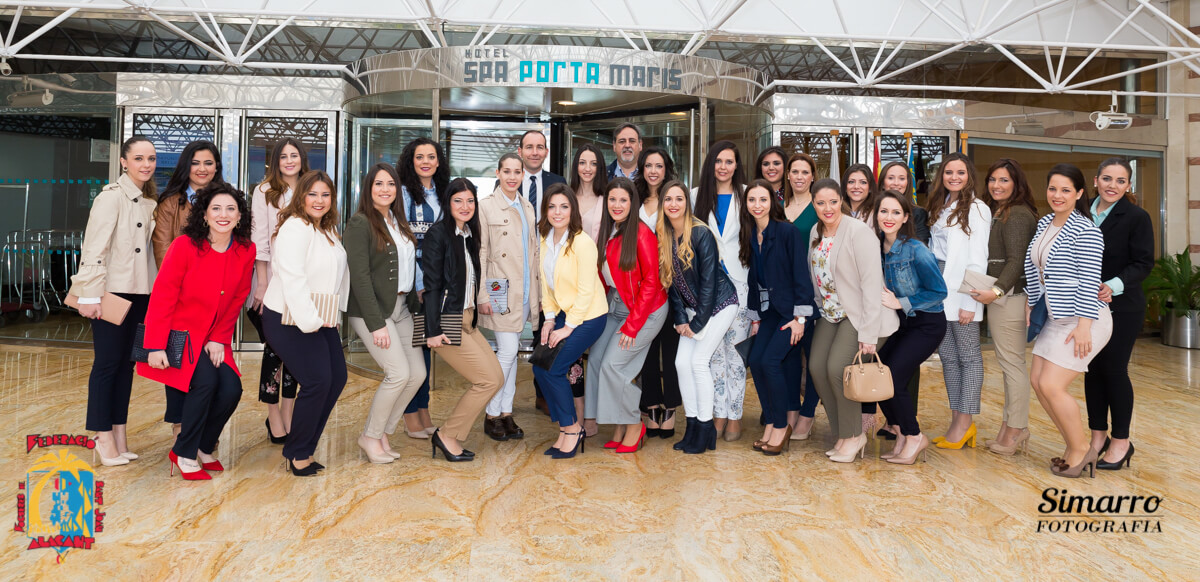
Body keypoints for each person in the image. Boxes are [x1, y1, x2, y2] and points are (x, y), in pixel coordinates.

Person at [137, 183, 254, 480]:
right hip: (181, 334)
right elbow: (163, 295)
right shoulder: (185, 245)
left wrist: (218, 338)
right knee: (205, 382)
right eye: (216, 208)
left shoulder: (245, 250)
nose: (223, 215)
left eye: (230, 209)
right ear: (204, 214)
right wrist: (155, 345)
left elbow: (238, 297)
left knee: (231, 389)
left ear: (240, 216)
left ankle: (203, 445)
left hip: (213, 336)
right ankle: (184, 452)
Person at [70, 135, 159, 466]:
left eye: (151, 158)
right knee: (107, 364)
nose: (146, 164)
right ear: (124, 162)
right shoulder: (110, 198)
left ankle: (119, 434)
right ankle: (101, 435)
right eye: (139, 158)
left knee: (127, 365)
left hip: (140, 293)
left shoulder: (149, 202)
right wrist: (89, 294)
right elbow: (94, 248)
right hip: (111, 292)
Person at [1025, 164, 1112, 478]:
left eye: (1065, 190)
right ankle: (1073, 445)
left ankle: (1081, 450)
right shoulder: (1045, 222)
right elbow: (1036, 267)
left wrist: (1084, 325)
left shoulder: (1087, 231)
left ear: (1079, 193)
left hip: (1084, 319)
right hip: (1055, 316)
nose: (1057, 195)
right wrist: (1031, 303)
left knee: (1052, 385)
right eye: (1052, 188)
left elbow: (1089, 281)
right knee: (1038, 383)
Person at [261, 170, 350, 476]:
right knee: (317, 381)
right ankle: (297, 452)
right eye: (313, 194)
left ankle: (306, 446)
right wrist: (312, 322)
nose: (319, 200)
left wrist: (332, 317)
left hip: (319, 316)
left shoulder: (326, 228)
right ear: (301, 196)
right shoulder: (295, 227)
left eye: (325, 195)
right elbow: (293, 280)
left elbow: (335, 275)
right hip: (289, 317)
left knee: (336, 378)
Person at [807, 178, 898, 463]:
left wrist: (868, 334)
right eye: (821, 203)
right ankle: (843, 434)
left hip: (861, 315)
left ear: (841, 201)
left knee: (838, 368)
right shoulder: (815, 231)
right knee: (816, 367)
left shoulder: (858, 232)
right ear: (813, 204)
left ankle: (855, 434)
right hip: (831, 313)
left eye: (833, 202)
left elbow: (872, 284)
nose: (828, 208)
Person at [345, 163, 425, 464]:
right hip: (373, 311)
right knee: (398, 374)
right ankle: (370, 436)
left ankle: (382, 433)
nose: (385, 189)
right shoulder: (360, 223)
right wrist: (376, 323)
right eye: (378, 183)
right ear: (369, 188)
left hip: (402, 308)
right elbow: (359, 276)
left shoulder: (398, 221)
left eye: (390, 184)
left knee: (417, 374)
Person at [422, 179, 505, 462]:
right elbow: (432, 285)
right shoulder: (438, 234)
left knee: (496, 378)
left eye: (470, 201)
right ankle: (447, 435)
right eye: (458, 200)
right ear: (448, 203)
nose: (465, 206)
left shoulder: (469, 235)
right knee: (487, 380)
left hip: (467, 318)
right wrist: (432, 330)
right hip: (447, 321)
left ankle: (449, 434)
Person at [588, 177, 669, 453]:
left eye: (623, 200)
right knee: (596, 361)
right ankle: (619, 426)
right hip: (616, 306)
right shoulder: (609, 230)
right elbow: (605, 277)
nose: (617, 205)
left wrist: (632, 326)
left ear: (632, 202)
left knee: (613, 365)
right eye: (612, 199)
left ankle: (634, 424)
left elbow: (651, 283)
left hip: (646, 310)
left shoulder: (642, 233)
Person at [151, 139, 225, 438]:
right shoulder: (172, 202)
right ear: (186, 166)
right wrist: (182, 287)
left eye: (208, 163)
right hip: (183, 297)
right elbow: (162, 247)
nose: (202, 169)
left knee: (212, 366)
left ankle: (203, 424)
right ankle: (180, 423)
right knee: (180, 361)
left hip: (216, 297)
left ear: (216, 166)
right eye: (195, 163)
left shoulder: (226, 198)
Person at [658, 180, 739, 454]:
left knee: (698, 362)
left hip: (720, 304)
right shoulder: (665, 234)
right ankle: (692, 427)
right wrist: (681, 320)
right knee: (681, 363)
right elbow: (671, 285)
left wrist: (696, 324)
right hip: (694, 310)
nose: (673, 204)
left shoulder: (701, 233)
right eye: (668, 199)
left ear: (687, 203)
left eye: (679, 199)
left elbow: (709, 285)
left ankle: (706, 429)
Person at [1084, 158, 1154, 470]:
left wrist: (1113, 285)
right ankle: (1098, 437)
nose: (1113, 185)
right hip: (1086, 306)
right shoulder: (1080, 212)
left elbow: (1143, 263)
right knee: (1092, 370)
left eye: (1120, 181)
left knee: (1114, 370)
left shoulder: (1137, 217)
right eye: (1107, 179)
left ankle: (1122, 442)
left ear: (1128, 185)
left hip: (1122, 306)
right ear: (1096, 180)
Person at [534, 183, 608, 459]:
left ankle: (572, 428)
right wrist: (549, 320)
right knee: (540, 367)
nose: (557, 212)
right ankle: (566, 429)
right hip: (565, 314)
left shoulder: (582, 242)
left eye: (564, 206)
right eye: (552, 206)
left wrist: (567, 327)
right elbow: (547, 286)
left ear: (572, 210)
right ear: (546, 210)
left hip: (590, 316)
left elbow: (587, 291)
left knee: (554, 369)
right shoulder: (545, 240)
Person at [874, 190, 946, 465]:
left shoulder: (916, 249)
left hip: (927, 324)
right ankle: (903, 433)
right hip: (901, 324)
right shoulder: (876, 248)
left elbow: (939, 291)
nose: (889, 217)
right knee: (880, 375)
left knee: (892, 376)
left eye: (896, 212)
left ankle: (915, 436)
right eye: (884, 211)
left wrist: (901, 301)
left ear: (905, 218)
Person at [971, 159, 1037, 455]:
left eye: (1004, 180)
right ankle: (1009, 426)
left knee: (1012, 364)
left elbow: (1017, 261)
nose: (996, 185)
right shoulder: (998, 210)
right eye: (992, 179)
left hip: (1009, 297)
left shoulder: (1018, 214)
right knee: (1008, 363)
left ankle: (1017, 428)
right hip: (1001, 296)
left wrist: (996, 291)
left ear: (1017, 183)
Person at [925, 152, 991, 450]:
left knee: (969, 357)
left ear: (970, 176)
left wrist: (971, 302)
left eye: (960, 172)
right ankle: (956, 420)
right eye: (949, 172)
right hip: (940, 287)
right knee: (949, 357)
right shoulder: (941, 206)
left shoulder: (977, 209)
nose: (954, 177)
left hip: (963, 289)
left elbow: (978, 259)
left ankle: (966, 423)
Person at [742, 179, 813, 456]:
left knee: (771, 362)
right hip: (770, 312)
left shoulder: (787, 231)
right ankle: (771, 422)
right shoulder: (751, 234)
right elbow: (754, 279)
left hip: (792, 313)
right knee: (756, 361)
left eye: (763, 199)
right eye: (752, 200)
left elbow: (801, 275)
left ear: (773, 202)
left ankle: (782, 426)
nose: (757, 205)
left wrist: (800, 319)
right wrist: (755, 319)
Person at [477, 153, 541, 441]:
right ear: (498, 173)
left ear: (523, 175)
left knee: (512, 354)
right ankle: (492, 414)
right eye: (507, 171)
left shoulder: (527, 206)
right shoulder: (486, 206)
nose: (512, 177)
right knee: (507, 351)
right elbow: (480, 253)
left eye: (517, 172)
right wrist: (482, 294)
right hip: (498, 288)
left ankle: (506, 413)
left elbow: (533, 252)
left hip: (524, 290)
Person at [691, 140, 751, 441]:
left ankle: (735, 416)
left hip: (741, 283)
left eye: (729, 161)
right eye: (718, 161)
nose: (723, 167)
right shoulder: (695, 196)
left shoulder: (748, 194)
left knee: (736, 353)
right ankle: (718, 413)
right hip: (709, 286)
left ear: (736, 165)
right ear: (710, 164)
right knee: (712, 354)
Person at [250, 137, 308, 446]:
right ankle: (273, 414)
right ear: (275, 161)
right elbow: (259, 240)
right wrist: (261, 283)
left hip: (303, 282)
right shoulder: (264, 191)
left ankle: (289, 410)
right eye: (283, 156)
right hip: (273, 281)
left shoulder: (310, 188)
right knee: (274, 350)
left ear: (302, 159)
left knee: (296, 350)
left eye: (294, 155)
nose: (289, 161)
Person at [397, 137, 451, 439]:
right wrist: (420, 283)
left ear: (438, 161)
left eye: (431, 156)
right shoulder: (403, 194)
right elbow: (405, 243)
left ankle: (424, 410)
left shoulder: (444, 193)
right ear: (411, 161)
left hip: (437, 281)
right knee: (415, 351)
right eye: (420, 157)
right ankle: (410, 414)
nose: (426, 162)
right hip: (415, 284)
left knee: (427, 350)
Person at [634, 146, 680, 438]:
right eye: (649, 165)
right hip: (641, 284)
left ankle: (671, 406)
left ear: (666, 169)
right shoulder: (634, 197)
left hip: (672, 283)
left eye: (659, 166)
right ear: (642, 169)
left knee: (671, 348)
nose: (653, 171)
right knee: (647, 348)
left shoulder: (673, 197)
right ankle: (650, 405)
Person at [781, 153, 821, 440]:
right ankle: (792, 410)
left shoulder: (820, 207)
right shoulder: (779, 207)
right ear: (788, 175)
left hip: (814, 293)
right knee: (791, 356)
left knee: (814, 357)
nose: (799, 177)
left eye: (805, 172)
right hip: (785, 293)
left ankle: (808, 414)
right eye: (794, 171)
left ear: (813, 176)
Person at [517, 130, 566, 221]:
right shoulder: (505, 183)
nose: (535, 153)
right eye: (529, 147)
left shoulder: (559, 182)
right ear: (520, 152)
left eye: (540, 147)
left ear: (546, 152)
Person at [878, 161, 930, 243]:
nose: (896, 183)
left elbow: (921, 245)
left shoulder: (918, 213)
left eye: (901, 179)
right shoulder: (872, 210)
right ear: (883, 183)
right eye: (891, 178)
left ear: (908, 183)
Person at [569, 143, 609, 243]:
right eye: (582, 163)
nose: (587, 168)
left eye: (593, 164)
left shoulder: (606, 200)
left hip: (597, 253)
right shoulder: (567, 198)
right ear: (576, 166)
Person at [841, 164, 878, 228]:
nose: (856, 186)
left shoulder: (876, 214)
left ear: (870, 187)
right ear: (845, 187)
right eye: (851, 182)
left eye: (863, 182)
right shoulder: (837, 211)